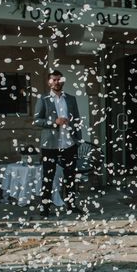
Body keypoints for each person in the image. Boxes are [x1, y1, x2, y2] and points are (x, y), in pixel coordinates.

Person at [33, 70, 82, 217]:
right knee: (48, 176)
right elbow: (36, 120)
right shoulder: (43, 99)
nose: (57, 82)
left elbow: (77, 120)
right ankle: (45, 208)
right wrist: (54, 122)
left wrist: (78, 140)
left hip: (69, 144)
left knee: (70, 177)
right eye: (54, 80)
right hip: (50, 145)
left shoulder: (71, 99)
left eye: (59, 79)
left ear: (63, 81)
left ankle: (71, 206)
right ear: (49, 82)